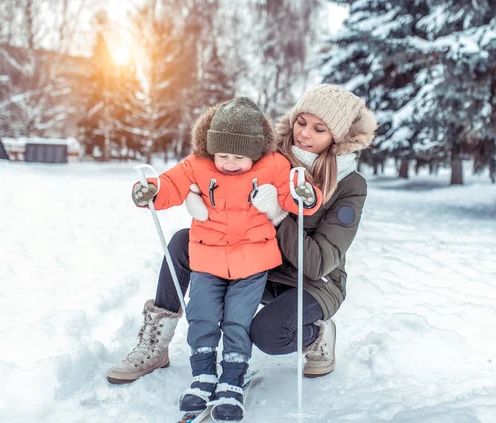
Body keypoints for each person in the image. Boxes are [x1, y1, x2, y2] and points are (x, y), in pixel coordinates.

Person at [107, 84, 376, 388]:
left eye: (319, 129)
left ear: (337, 138)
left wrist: (277, 216)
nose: (305, 135)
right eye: (301, 122)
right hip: (259, 263)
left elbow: (318, 263)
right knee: (183, 242)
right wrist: (196, 193)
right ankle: (155, 345)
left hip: (311, 282)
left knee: (269, 334)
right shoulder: (269, 155)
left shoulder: (350, 184)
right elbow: (210, 165)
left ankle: (317, 336)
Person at [121, 96, 322, 422]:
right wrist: (153, 191)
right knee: (201, 316)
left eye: (239, 157)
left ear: (256, 152)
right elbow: (171, 183)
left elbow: (291, 192)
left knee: (237, 321)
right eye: (222, 155)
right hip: (207, 260)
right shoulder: (198, 164)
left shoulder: (273, 165)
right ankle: (202, 375)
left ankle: (232, 378)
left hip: (252, 264)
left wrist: (304, 195)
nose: (229, 163)